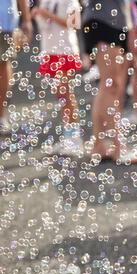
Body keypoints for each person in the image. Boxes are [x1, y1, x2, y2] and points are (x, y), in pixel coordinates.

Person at [81, 0, 137, 164]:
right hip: (102, 21)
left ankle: (98, 145)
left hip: (114, 21)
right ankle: (118, 147)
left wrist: (130, 31)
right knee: (111, 84)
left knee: (109, 85)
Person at [32, 0, 84, 157]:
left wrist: (47, 15)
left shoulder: (70, 1)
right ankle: (68, 137)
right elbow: (44, 24)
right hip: (50, 50)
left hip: (65, 50)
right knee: (61, 95)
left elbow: (74, 24)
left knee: (66, 93)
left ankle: (75, 139)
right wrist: (37, 15)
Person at [0, 0, 33, 135]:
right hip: (5, 19)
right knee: (3, 65)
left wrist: (26, 20)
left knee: (3, 65)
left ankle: (1, 115)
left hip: (4, 20)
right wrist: (26, 20)